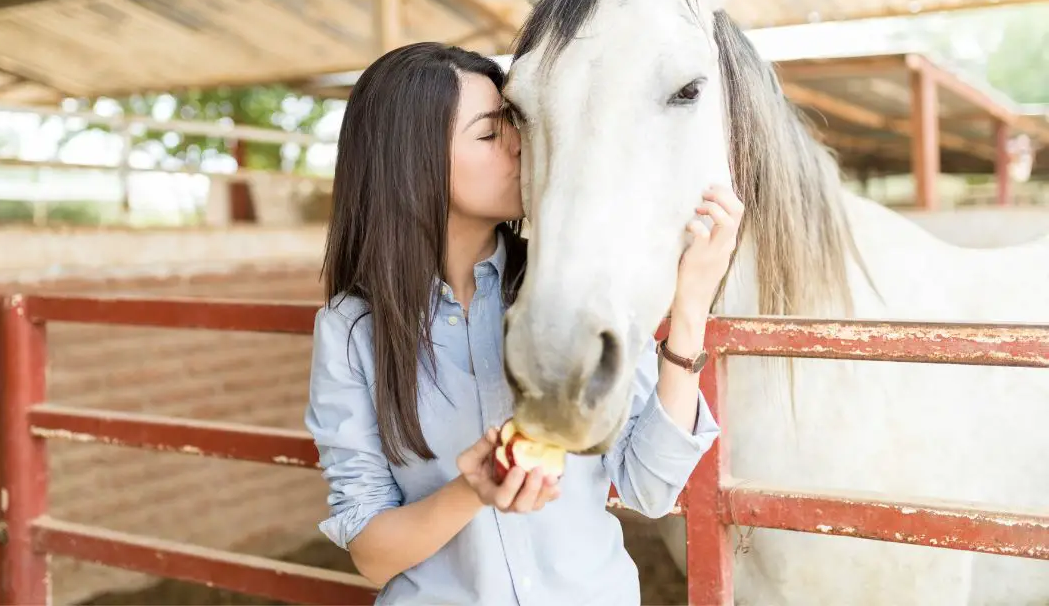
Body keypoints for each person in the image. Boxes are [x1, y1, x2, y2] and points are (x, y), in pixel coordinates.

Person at [304, 41, 742, 604]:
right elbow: (370, 554)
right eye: (489, 135)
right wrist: (475, 489)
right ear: (411, 163)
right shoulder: (351, 332)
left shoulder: (570, 288)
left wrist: (691, 303)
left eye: (514, 125)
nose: (521, 146)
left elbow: (650, 485)